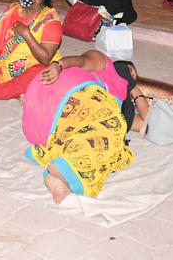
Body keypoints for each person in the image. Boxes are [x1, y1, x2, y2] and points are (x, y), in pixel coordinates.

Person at [22, 50, 134, 204]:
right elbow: (81, 61)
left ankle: (59, 183)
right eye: (130, 70)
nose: (130, 75)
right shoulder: (105, 65)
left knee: (114, 147)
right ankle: (68, 168)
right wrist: (59, 65)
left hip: (43, 125)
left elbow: (144, 124)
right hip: (64, 90)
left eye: (134, 75)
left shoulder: (120, 97)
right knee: (114, 131)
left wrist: (136, 91)